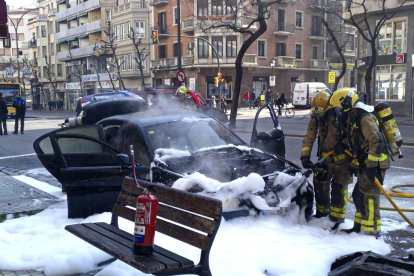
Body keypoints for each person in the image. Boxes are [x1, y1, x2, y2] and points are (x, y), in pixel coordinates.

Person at [329, 87, 390, 237]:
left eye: (338, 108)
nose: (338, 112)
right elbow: (357, 141)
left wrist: (371, 166)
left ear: (345, 104)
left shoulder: (364, 117)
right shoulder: (353, 115)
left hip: (375, 163)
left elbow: (376, 140)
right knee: (358, 195)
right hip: (367, 161)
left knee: (369, 197)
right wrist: (344, 147)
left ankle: (372, 231)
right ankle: (358, 227)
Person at [300, 90, 352, 230]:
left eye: (321, 113)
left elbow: (353, 134)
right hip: (325, 158)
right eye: (316, 113)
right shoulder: (316, 117)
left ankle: (337, 218)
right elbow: (309, 136)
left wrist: (344, 143)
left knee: (339, 189)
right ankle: (322, 213)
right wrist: (305, 156)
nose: (318, 116)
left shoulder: (340, 115)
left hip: (343, 160)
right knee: (319, 185)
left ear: (328, 109)